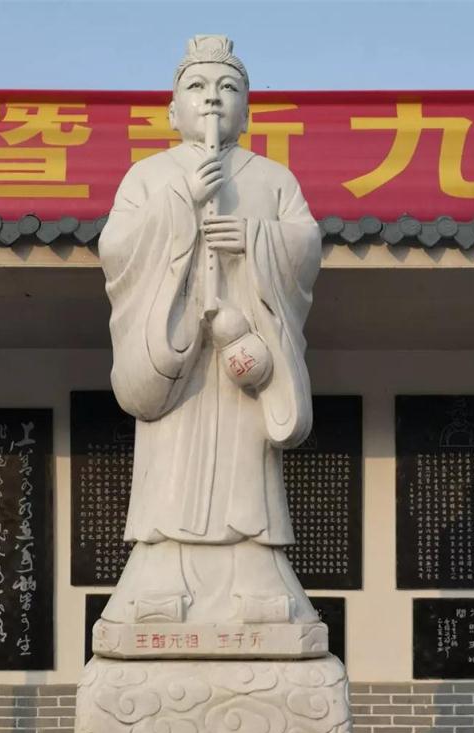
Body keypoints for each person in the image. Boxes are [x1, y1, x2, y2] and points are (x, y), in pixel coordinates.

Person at [98, 35, 322, 626]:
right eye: (196, 87)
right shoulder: (148, 176)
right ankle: (159, 577)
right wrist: (180, 204)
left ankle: (256, 575)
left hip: (242, 352)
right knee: (170, 471)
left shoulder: (273, 179)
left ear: (246, 111)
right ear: (172, 111)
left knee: (247, 470)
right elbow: (117, 250)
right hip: (179, 355)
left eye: (228, 88)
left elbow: (305, 248)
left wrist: (254, 239)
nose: (213, 98)